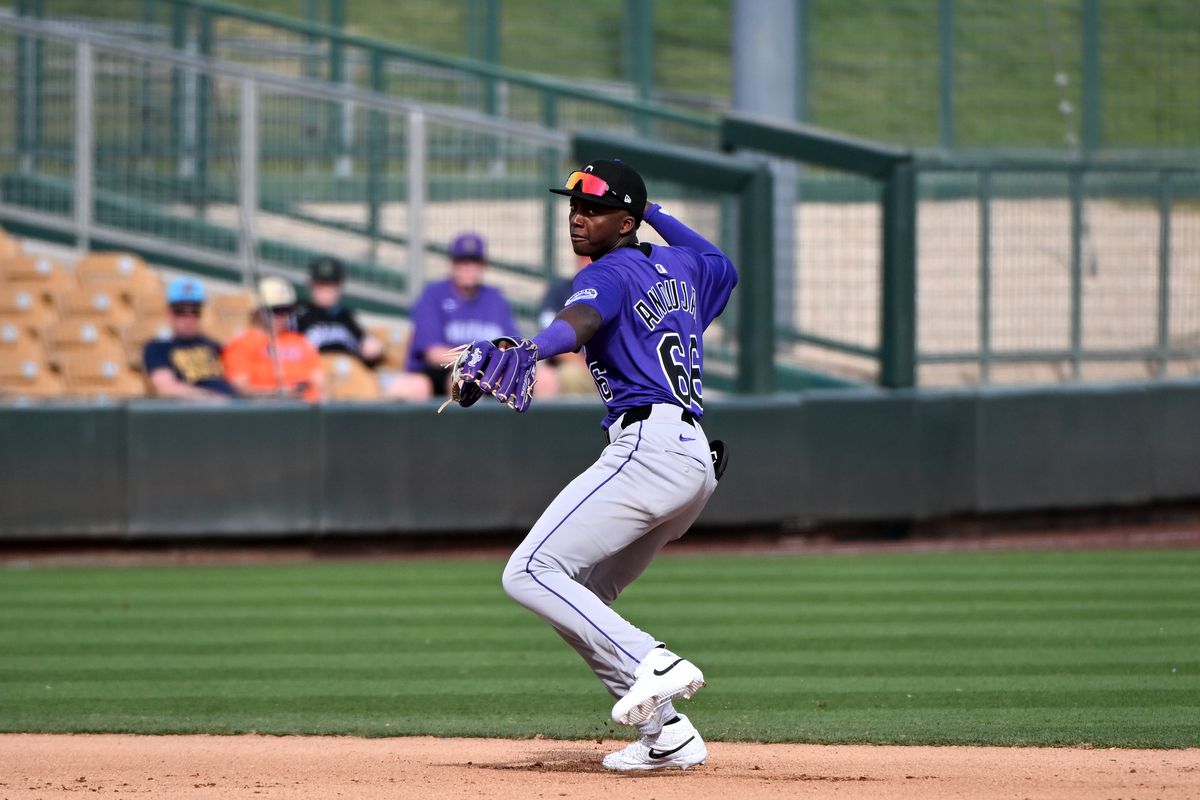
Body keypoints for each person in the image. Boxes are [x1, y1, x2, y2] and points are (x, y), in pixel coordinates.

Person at [491, 159, 738, 771]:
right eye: (574, 207)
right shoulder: (681, 267)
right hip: (692, 462)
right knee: (583, 595)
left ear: (623, 221)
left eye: (594, 210)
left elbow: (581, 322)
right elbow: (723, 263)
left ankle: (653, 660)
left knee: (527, 572)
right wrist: (648, 209)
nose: (578, 217)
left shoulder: (610, 272)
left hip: (647, 449)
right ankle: (667, 734)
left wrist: (530, 349)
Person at [404, 232, 521, 396]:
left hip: (489, 372)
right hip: (440, 374)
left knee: (542, 378)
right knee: (464, 380)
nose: (467, 267)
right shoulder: (433, 295)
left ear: (483, 265)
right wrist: (476, 361)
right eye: (462, 261)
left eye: (473, 262)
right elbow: (433, 353)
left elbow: (511, 345)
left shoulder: (495, 298)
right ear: (452, 263)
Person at [221, 276, 325, 402]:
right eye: (276, 310)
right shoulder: (243, 342)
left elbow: (320, 382)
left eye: (287, 310)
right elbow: (240, 388)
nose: (283, 316)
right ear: (259, 312)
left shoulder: (300, 341)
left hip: (309, 410)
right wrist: (278, 393)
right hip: (268, 411)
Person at [143, 277, 237, 400]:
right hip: (193, 411)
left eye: (195, 311)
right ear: (169, 313)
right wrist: (212, 398)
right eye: (180, 311)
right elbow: (166, 388)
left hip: (233, 406)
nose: (188, 318)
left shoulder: (213, 345)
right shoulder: (158, 347)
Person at [296, 256, 384, 364]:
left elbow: (367, 345)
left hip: (347, 372)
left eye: (331, 285)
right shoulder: (298, 312)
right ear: (311, 284)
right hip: (311, 370)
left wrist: (371, 348)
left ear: (340, 287)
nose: (326, 290)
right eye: (322, 284)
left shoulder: (344, 315)